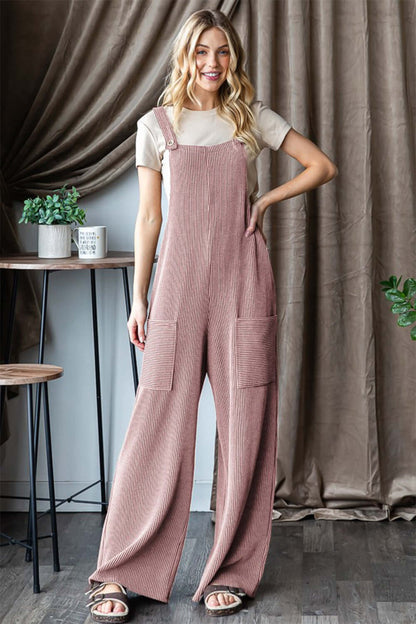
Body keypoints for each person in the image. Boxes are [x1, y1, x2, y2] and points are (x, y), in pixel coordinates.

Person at [85, 8, 338, 622]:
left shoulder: (251, 118)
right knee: (156, 425)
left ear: (233, 57)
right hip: (173, 289)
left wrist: (267, 201)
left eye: (223, 52)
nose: (213, 64)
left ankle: (231, 569)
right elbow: (148, 219)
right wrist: (139, 298)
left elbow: (321, 165)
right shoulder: (156, 125)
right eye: (202, 52)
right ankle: (119, 571)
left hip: (243, 285)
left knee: (246, 420)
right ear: (185, 55)